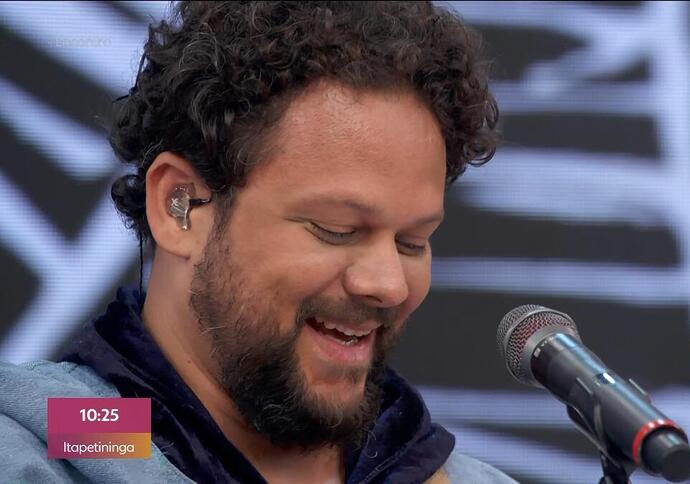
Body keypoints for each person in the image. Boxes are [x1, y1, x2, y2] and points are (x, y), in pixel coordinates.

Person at [0, 2, 513, 482]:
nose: (389, 285)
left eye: (412, 242)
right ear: (181, 206)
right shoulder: (45, 447)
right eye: (335, 229)